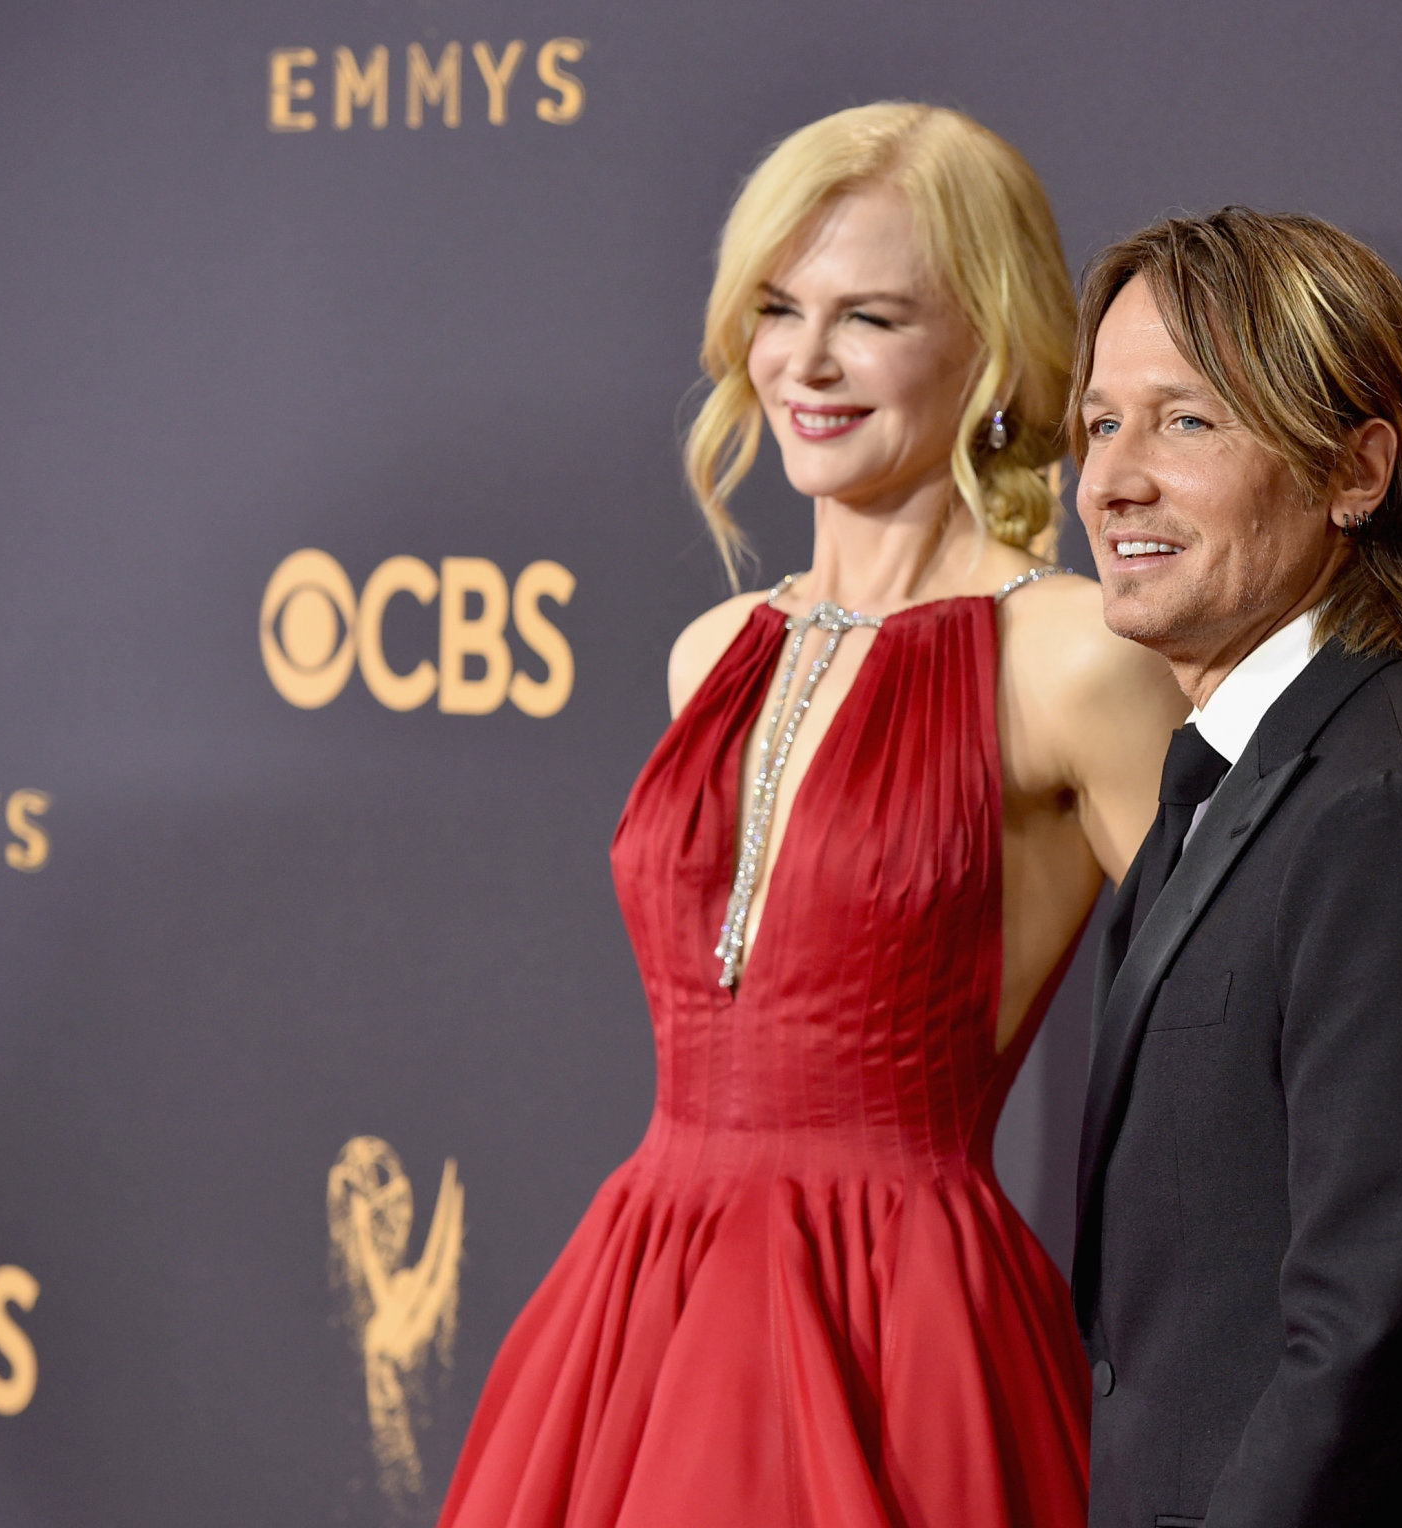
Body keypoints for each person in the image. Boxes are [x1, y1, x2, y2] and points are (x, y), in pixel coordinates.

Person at [440, 103, 1183, 1528]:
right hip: (637, 1311)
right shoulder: (714, 652)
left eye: (870, 317)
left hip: (898, 1321)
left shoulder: (1075, 655)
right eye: (778, 308)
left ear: (994, 341)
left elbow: (1228, 1047)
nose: (805, 363)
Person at [1068, 208, 1402, 1528]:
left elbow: (1377, 1337)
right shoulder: (1242, 779)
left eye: (1184, 423)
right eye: (1097, 424)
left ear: (1357, 470)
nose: (1113, 479)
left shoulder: (1399, 803)